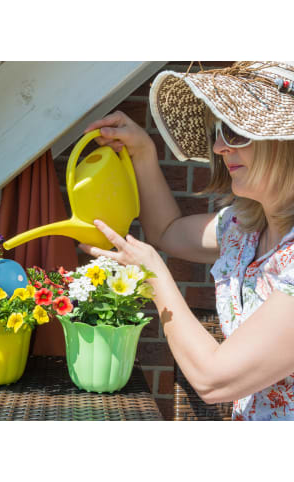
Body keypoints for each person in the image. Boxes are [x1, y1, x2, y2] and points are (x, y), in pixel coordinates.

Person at [80, 61, 294, 421]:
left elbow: (214, 382)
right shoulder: (243, 228)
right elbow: (168, 231)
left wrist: (155, 277)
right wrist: (143, 152)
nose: (221, 147)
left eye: (237, 132)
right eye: (218, 132)